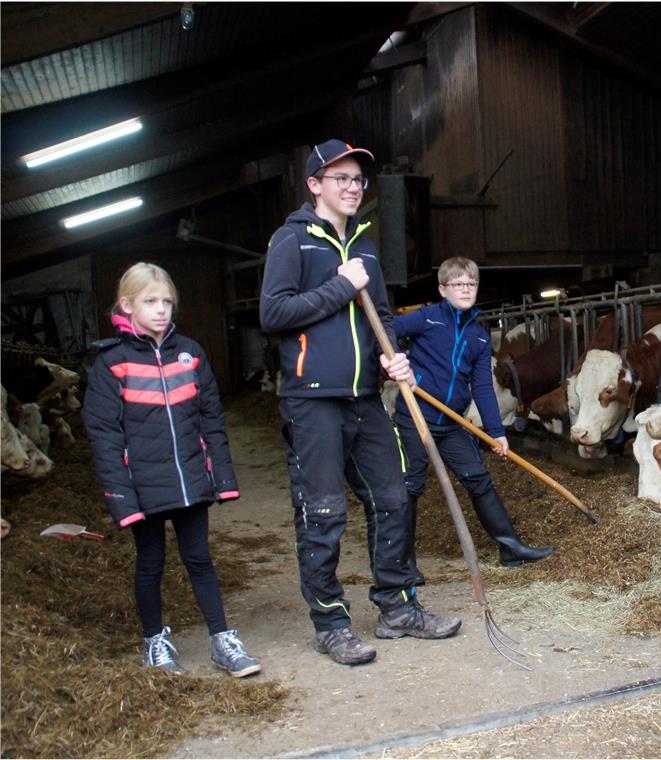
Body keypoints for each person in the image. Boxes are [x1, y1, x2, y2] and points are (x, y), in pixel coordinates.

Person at [260, 139, 461, 667]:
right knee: (323, 512)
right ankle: (330, 623)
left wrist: (393, 357)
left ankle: (397, 606)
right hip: (313, 401)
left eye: (358, 181)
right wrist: (338, 286)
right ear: (315, 185)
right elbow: (274, 314)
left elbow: (385, 318)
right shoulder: (293, 241)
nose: (352, 188)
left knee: (393, 498)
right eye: (340, 179)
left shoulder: (367, 249)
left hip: (366, 397)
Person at [83, 262, 261, 678]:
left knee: (200, 559)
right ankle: (155, 642)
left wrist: (222, 477)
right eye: (150, 301)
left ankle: (222, 639)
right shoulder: (113, 363)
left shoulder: (191, 354)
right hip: (143, 484)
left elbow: (211, 419)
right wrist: (120, 496)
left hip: (190, 479)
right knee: (150, 562)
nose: (161, 309)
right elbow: (104, 435)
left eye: (166, 301)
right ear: (127, 306)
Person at [394, 257, 554, 573]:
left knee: (478, 479)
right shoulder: (425, 320)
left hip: (452, 422)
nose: (466, 289)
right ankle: (402, 564)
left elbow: (482, 387)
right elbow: (380, 330)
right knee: (409, 487)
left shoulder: (479, 336)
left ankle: (510, 548)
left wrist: (497, 431)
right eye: (458, 284)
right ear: (442, 289)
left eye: (471, 283)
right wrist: (398, 364)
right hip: (415, 416)